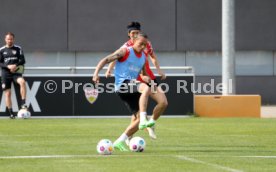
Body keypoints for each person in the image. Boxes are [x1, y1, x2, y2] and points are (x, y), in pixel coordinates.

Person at [106, 22, 168, 142]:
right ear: (129, 34)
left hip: (149, 78)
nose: (135, 35)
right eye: (133, 33)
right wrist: (109, 70)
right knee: (137, 112)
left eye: (137, 33)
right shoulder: (126, 47)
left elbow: (153, 57)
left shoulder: (146, 43)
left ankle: (151, 123)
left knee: (163, 102)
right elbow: (115, 57)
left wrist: (159, 70)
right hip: (136, 80)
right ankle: (129, 136)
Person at [93, 33, 155, 151]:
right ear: (133, 42)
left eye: (145, 45)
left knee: (137, 119)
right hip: (123, 85)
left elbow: (144, 75)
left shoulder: (143, 57)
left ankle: (119, 141)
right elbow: (106, 59)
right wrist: (96, 73)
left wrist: (147, 79)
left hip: (131, 88)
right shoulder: (125, 51)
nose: (142, 47)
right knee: (145, 89)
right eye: (140, 44)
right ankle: (143, 119)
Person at [0, 32, 27, 119]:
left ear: (13, 39)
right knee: (7, 93)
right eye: (8, 39)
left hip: (16, 72)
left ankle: (23, 103)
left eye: (11, 39)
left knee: (22, 82)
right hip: (6, 74)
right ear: (5, 39)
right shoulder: (1, 50)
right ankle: (11, 113)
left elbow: (23, 60)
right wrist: (7, 66)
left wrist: (15, 65)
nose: (9, 40)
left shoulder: (18, 48)